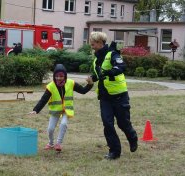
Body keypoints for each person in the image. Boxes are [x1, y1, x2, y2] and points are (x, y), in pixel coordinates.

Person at [86, 32, 138, 160]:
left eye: (93, 44)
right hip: (105, 98)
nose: (91, 46)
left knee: (123, 123)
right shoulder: (96, 59)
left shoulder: (113, 54)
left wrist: (110, 72)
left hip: (120, 96)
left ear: (99, 42)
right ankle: (114, 151)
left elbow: (121, 66)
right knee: (107, 124)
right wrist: (92, 78)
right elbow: (99, 75)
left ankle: (132, 137)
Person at [28, 64, 93, 152]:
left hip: (66, 110)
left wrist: (90, 84)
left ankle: (58, 143)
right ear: (54, 76)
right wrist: (36, 110)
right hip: (55, 111)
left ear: (65, 76)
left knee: (63, 124)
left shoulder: (71, 83)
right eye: (57, 76)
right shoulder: (50, 86)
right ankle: (51, 143)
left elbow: (83, 91)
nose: (59, 78)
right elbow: (43, 99)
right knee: (50, 129)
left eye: (61, 76)